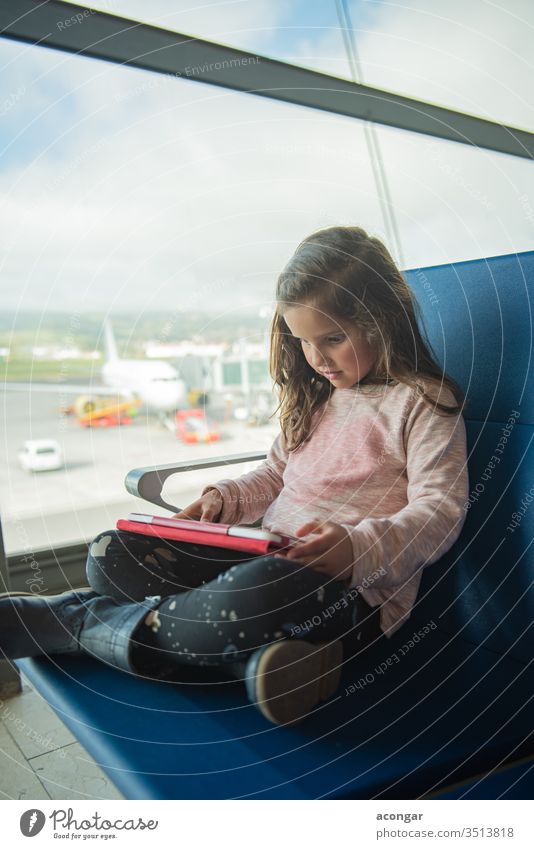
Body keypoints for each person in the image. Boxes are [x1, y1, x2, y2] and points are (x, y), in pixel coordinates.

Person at [0, 225, 469, 727]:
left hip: (344, 594)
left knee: (256, 591)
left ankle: (73, 622)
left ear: (383, 321)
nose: (316, 359)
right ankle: (258, 661)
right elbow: (274, 475)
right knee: (109, 555)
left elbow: (440, 509)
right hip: (262, 554)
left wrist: (357, 549)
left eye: (333, 339)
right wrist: (222, 503)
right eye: (303, 341)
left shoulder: (422, 403)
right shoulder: (318, 400)